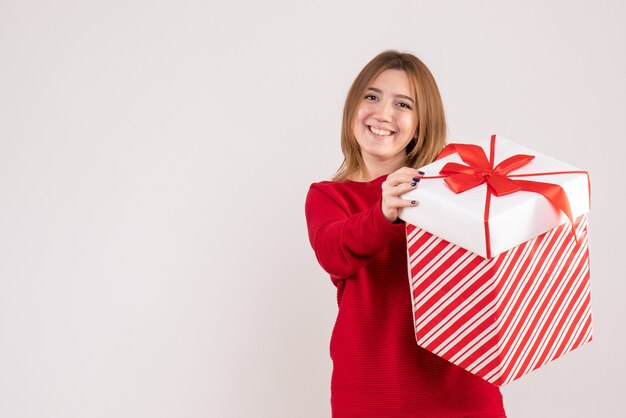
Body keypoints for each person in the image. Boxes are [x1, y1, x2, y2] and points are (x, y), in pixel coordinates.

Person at [304, 50, 507, 417]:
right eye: (371, 96)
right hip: (371, 390)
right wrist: (384, 213)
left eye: (403, 104)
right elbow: (333, 252)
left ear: (421, 122)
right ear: (353, 107)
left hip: (459, 387)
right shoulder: (328, 196)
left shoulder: (450, 185)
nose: (383, 113)